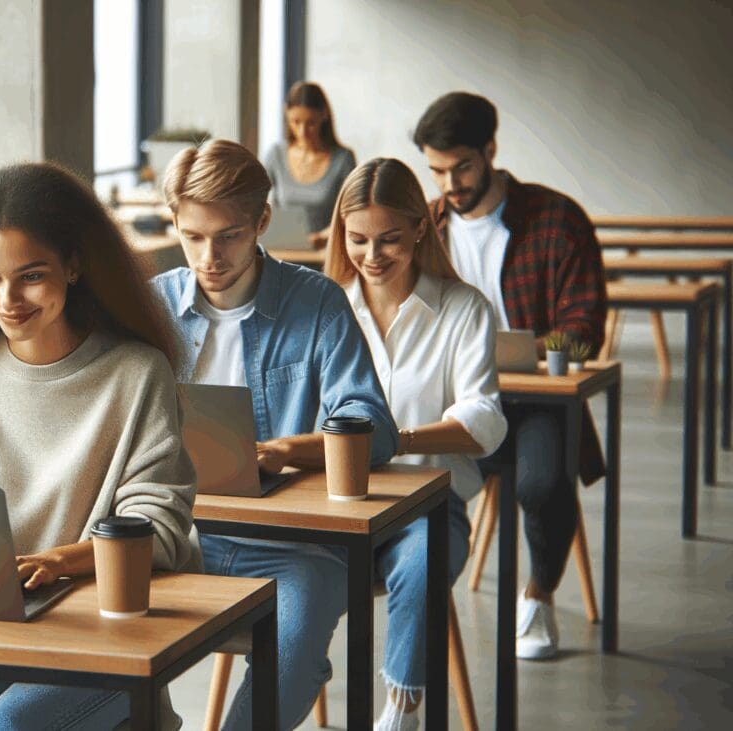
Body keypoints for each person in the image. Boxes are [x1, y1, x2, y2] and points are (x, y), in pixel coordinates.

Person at [0, 162, 198, 729]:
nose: (8, 299)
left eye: (30, 276)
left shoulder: (136, 372)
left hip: (100, 638)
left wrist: (57, 562)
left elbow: (160, 529)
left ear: (73, 266)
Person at [151, 139, 398, 730]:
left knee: (295, 646)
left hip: (294, 545)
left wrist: (287, 451)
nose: (209, 257)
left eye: (228, 236)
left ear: (262, 221)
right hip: (175, 533)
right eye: (192, 236)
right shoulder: (152, 306)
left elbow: (374, 426)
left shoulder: (317, 301)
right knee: (90, 632)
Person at [413, 91, 608, 660]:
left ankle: (538, 594)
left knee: (542, 484)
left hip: (536, 404)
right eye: (437, 171)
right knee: (400, 472)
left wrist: (518, 350)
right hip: (455, 399)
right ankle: (417, 601)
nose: (449, 184)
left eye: (461, 167)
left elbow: (584, 331)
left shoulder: (557, 220)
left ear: (491, 150)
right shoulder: (426, 227)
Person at [324, 157, 508, 730]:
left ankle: (402, 709)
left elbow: (484, 419)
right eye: (358, 239)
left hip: (429, 506)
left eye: (389, 239)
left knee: (424, 557)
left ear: (420, 229)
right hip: (335, 508)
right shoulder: (327, 307)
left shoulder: (463, 309)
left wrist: (390, 442)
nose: (372, 256)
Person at [262, 81, 357, 249]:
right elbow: (253, 201)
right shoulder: (275, 154)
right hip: (282, 249)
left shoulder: (343, 159)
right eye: (295, 122)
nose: (302, 132)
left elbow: (353, 212)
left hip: (325, 250)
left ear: (324, 115)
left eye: (311, 123)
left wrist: (323, 236)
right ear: (286, 115)